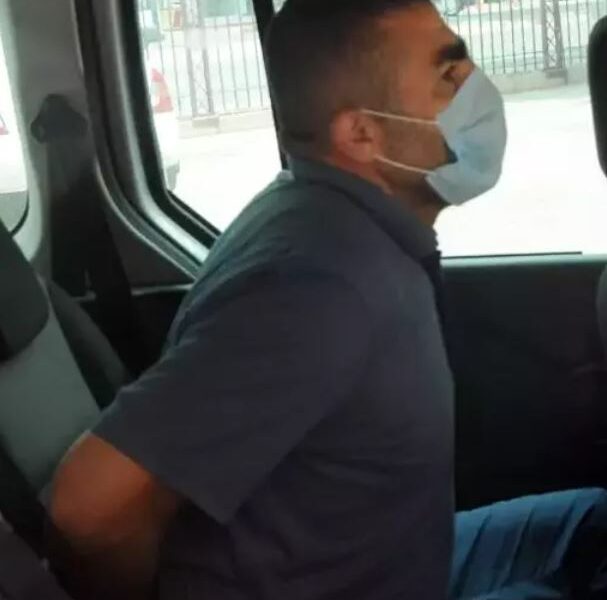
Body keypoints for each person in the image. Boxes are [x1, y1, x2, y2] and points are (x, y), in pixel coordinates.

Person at [48, 1, 607, 599]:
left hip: (411, 562)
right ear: (361, 133)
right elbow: (89, 507)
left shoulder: (329, 217)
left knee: (597, 525)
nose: (477, 87)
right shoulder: (316, 284)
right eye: (449, 74)